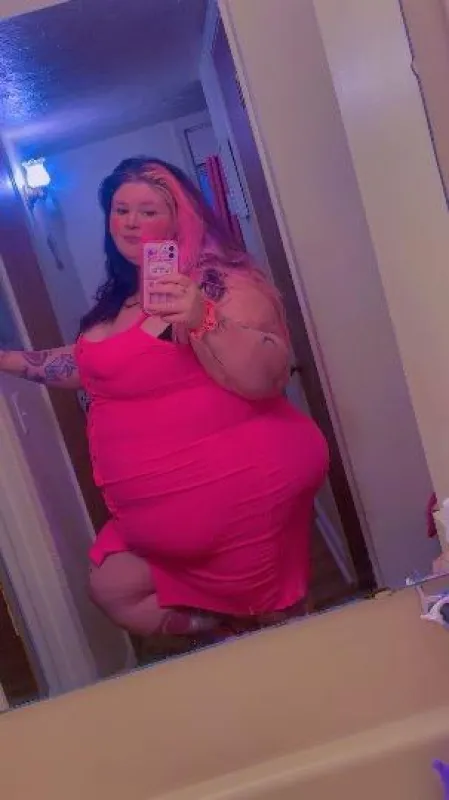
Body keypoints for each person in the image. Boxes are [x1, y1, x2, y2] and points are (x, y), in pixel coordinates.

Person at [0, 157, 328, 638]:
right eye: (121, 210)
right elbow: (95, 365)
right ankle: (233, 631)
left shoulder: (219, 281)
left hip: (246, 486)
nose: (131, 222)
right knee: (113, 589)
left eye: (148, 210)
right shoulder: (127, 295)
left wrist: (201, 317)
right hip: (176, 511)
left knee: (279, 625)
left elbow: (266, 377)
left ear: (181, 218)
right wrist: (7, 360)